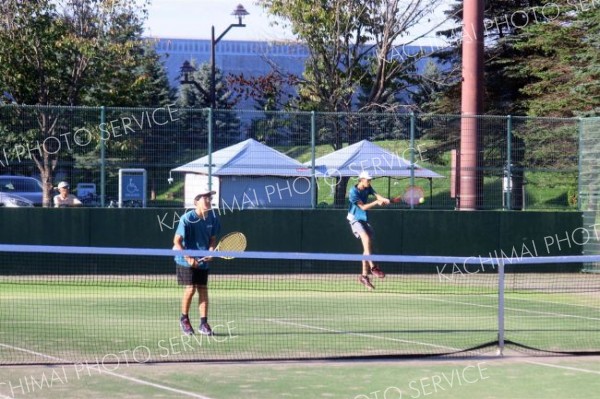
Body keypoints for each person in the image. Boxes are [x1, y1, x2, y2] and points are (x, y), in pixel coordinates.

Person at [173, 186, 221, 336]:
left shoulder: (213, 218)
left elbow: (212, 240)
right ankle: (184, 319)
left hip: (203, 260)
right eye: (205, 198)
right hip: (184, 259)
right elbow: (177, 241)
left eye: (210, 198)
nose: (209, 200)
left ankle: (203, 323)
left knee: (203, 290)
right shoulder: (187, 219)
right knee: (191, 288)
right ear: (196, 201)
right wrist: (188, 258)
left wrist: (211, 252)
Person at [347, 171, 390, 290]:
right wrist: (377, 202)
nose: (369, 182)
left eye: (370, 180)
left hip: (363, 219)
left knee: (367, 246)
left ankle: (364, 276)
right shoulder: (353, 192)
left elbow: (377, 195)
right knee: (366, 239)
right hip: (355, 219)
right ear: (361, 179)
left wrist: (384, 200)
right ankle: (373, 267)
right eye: (367, 180)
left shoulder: (368, 187)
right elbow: (363, 207)